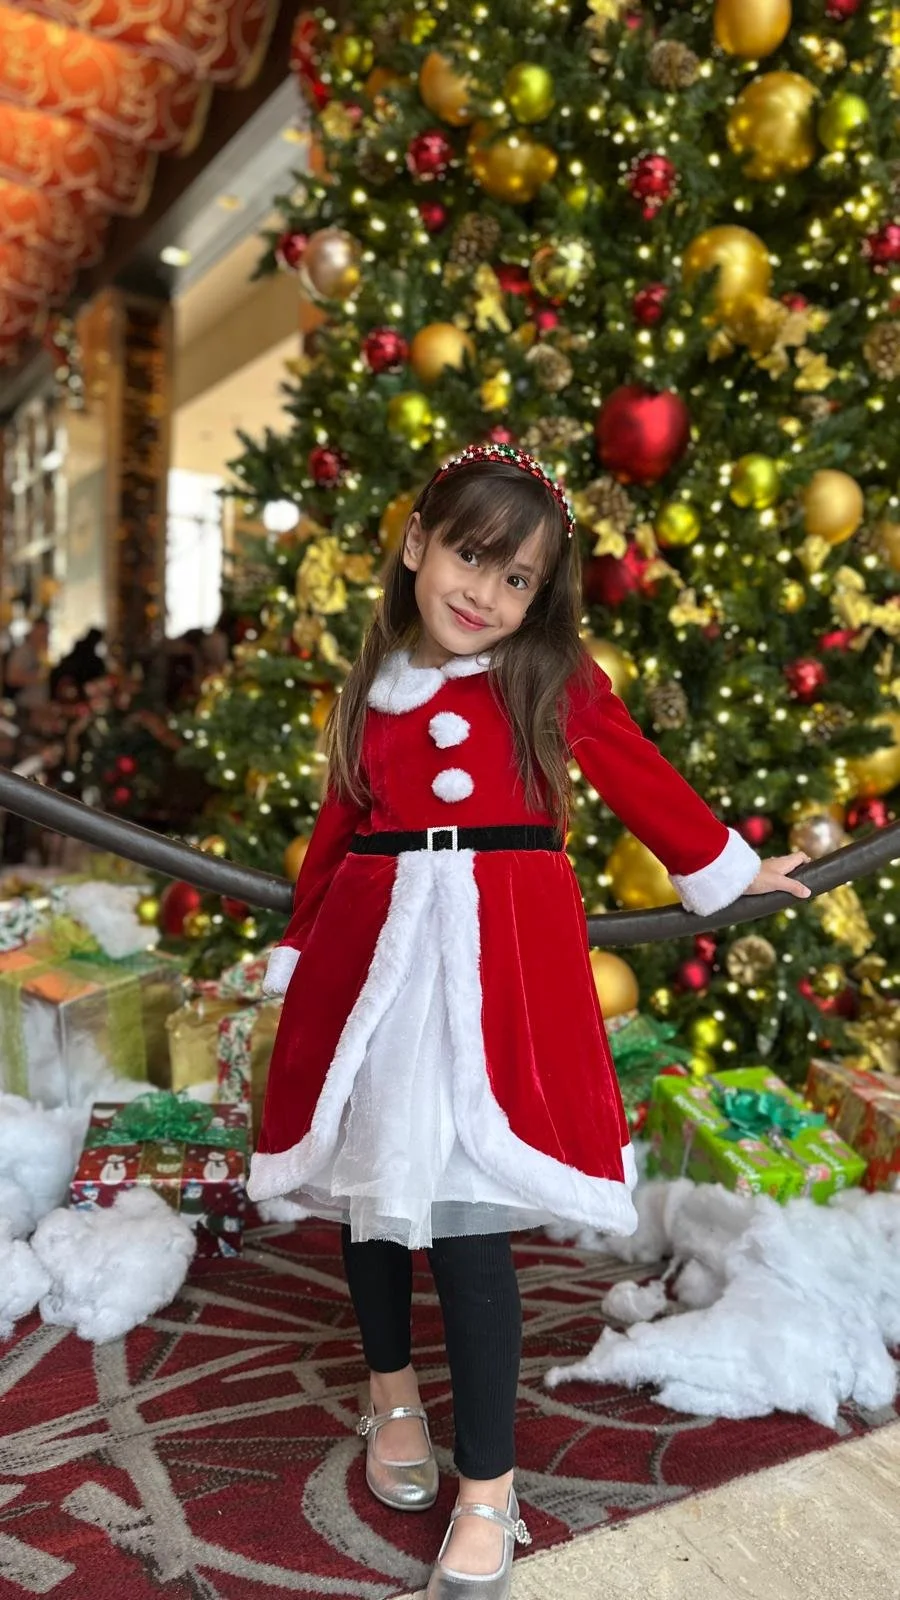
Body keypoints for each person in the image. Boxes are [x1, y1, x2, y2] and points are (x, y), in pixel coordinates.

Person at [246, 444, 811, 1599]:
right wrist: (299, 947)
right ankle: (389, 1389)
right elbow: (335, 832)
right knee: (373, 1192)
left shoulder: (548, 676)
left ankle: (490, 1485)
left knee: (463, 1221)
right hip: (379, 963)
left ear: (540, 596)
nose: (485, 594)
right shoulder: (374, 691)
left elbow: (639, 774)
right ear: (416, 545)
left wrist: (726, 869)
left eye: (516, 579)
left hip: (497, 970)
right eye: (468, 556)